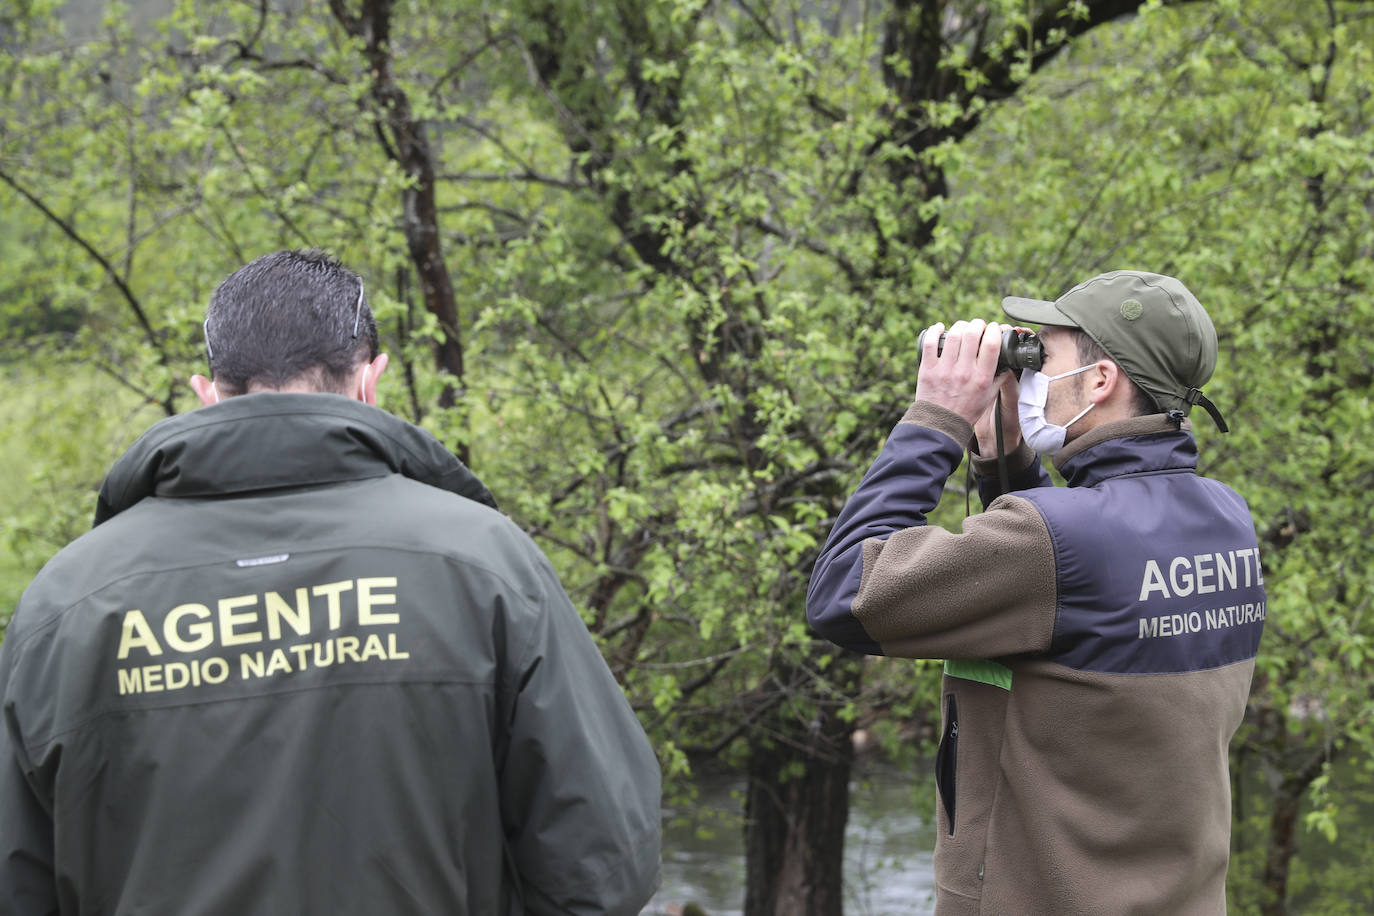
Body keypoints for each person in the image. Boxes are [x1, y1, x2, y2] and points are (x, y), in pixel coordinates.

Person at [0, 249, 661, 915]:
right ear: (372, 382)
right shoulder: (485, 565)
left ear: (206, 395)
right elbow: (603, 868)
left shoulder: (66, 602)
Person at [807, 270, 1265, 915]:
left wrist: (935, 419)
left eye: (1042, 357)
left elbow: (843, 594)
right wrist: (1008, 464)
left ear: (1101, 380)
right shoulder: (1226, 517)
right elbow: (1068, 609)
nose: (1028, 377)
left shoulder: (1055, 542)